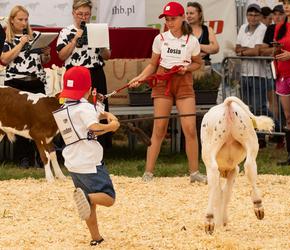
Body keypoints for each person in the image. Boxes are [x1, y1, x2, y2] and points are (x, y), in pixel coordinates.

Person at [129, 2, 206, 183]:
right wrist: (139, 78)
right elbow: (153, 64)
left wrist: (186, 68)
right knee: (159, 128)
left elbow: (198, 63)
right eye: (167, 19)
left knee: (189, 129)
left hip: (184, 83)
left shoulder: (192, 40)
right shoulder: (160, 39)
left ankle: (194, 173)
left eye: (173, 19)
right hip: (163, 82)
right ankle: (148, 173)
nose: (170, 22)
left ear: (182, 18)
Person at [57, 66, 119, 246]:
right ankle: (87, 197)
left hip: (73, 162)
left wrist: (103, 113)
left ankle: (96, 238)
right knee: (108, 197)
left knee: (87, 204)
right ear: (88, 87)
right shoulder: (85, 108)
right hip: (90, 162)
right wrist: (111, 126)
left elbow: (88, 119)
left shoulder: (65, 106)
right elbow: (93, 127)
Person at [56, 0, 112, 150]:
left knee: (97, 108)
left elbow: (107, 55)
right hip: (75, 75)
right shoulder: (66, 31)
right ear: (73, 13)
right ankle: (71, 145)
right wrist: (75, 38)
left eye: (86, 14)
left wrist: (100, 45)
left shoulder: (97, 29)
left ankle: (100, 146)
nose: (83, 17)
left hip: (94, 73)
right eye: (80, 14)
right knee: (73, 109)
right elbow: (61, 55)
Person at [0, 5, 51, 167]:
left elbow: (43, 62)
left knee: (40, 120)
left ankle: (41, 157)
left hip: (35, 82)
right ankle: (23, 158)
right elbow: (5, 59)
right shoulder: (7, 39)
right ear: (12, 21)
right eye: (20, 19)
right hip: (16, 83)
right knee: (20, 121)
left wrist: (46, 54)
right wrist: (21, 44)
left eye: (26, 19)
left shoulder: (34, 36)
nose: (24, 23)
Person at [235, 3, 269, 148]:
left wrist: (244, 51)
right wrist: (246, 50)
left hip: (258, 74)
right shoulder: (243, 27)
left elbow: (257, 51)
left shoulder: (263, 29)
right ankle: (254, 135)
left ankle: (262, 137)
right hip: (244, 72)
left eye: (256, 15)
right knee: (248, 108)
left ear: (260, 16)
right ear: (247, 15)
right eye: (250, 14)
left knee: (259, 107)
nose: (253, 18)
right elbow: (237, 48)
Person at [274, 0, 290, 165]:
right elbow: (277, 49)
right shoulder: (279, 26)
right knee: (289, 118)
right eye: (284, 3)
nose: (286, 6)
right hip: (283, 76)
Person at [259, 4, 286, 149]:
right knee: (279, 106)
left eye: (280, 13)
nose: (277, 16)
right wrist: (275, 49)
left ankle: (285, 135)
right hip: (276, 71)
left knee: (289, 108)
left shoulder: (289, 27)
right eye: (274, 14)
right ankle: (282, 135)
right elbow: (262, 49)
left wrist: (274, 50)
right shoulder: (270, 29)